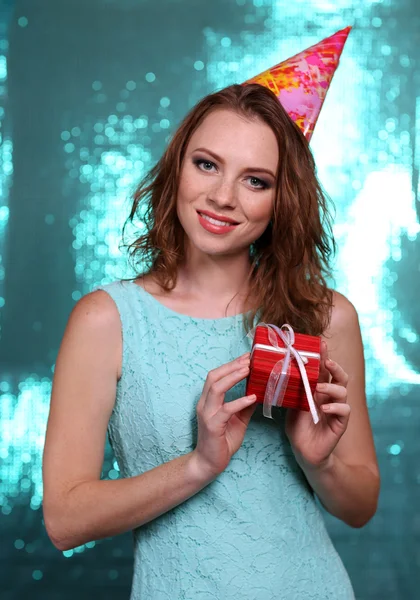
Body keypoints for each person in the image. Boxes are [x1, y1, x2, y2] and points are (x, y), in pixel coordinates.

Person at [42, 82, 380, 599]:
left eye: (255, 180)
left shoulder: (323, 317)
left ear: (282, 199)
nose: (223, 196)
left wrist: (320, 462)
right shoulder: (105, 320)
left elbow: (359, 507)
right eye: (206, 164)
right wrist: (198, 466)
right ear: (177, 166)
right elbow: (64, 519)